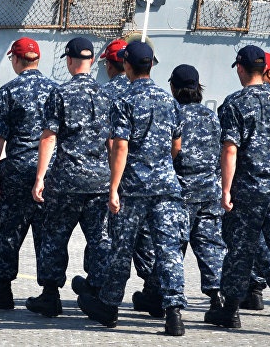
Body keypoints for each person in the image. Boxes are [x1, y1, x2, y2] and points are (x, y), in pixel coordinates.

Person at [76, 41, 188, 336]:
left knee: (121, 249)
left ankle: (109, 307)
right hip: (166, 187)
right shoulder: (168, 101)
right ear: (151, 65)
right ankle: (174, 312)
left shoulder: (124, 100)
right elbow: (176, 145)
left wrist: (113, 187)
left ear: (126, 65)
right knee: (168, 250)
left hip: (134, 188)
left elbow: (120, 147)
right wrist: (160, 166)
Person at [207, 46, 270, 337]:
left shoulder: (234, 103)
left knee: (240, 252)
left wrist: (225, 190)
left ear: (240, 68)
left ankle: (230, 311)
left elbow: (230, 150)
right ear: (265, 69)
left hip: (247, 192)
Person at [26, 37, 112, 318]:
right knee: (100, 239)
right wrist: (115, 182)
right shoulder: (106, 96)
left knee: (54, 236)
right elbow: (113, 143)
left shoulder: (60, 94)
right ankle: (98, 294)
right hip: (100, 181)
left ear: (70, 61)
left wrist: (40, 177)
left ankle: (50, 296)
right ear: (91, 61)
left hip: (66, 181)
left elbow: (48, 138)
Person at [0, 37, 57, 310]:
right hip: (49, 172)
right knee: (47, 232)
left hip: (17, 171)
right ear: (37, 59)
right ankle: (50, 293)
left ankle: (3, 289)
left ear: (17, 59)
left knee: (6, 229)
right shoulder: (56, 91)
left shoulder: (7, 92)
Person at [168, 64, 225, 317]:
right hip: (209, 191)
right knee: (211, 247)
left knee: (171, 248)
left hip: (180, 191)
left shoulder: (174, 114)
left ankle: (168, 301)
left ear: (174, 87)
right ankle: (218, 297)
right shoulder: (212, 116)